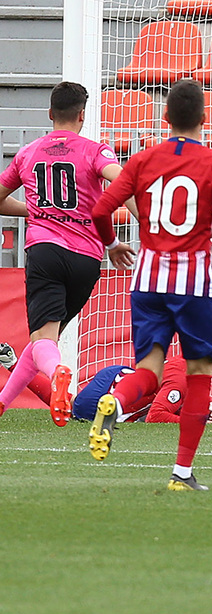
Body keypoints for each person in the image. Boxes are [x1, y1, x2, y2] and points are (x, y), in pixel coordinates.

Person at [91, 79, 212, 492]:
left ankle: (119, 401)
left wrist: (112, 244)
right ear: (204, 119)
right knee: (199, 372)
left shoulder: (143, 160)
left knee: (150, 368)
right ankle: (181, 473)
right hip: (193, 284)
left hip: (147, 279)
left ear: (165, 118)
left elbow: (99, 208)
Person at [0, 81, 137, 427]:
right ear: (82, 115)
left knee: (44, 341)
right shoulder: (95, 150)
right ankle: (1, 402)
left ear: (50, 114)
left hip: (45, 251)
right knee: (44, 339)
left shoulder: (27, 153)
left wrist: (33, 211)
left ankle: (59, 371)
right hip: (86, 259)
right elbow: (121, 182)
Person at [0, 329, 212, 423]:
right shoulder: (184, 378)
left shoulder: (187, 365)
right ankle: (23, 366)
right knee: (71, 410)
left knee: (69, 404)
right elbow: (155, 416)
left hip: (119, 377)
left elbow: (163, 400)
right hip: (111, 391)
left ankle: (12, 363)